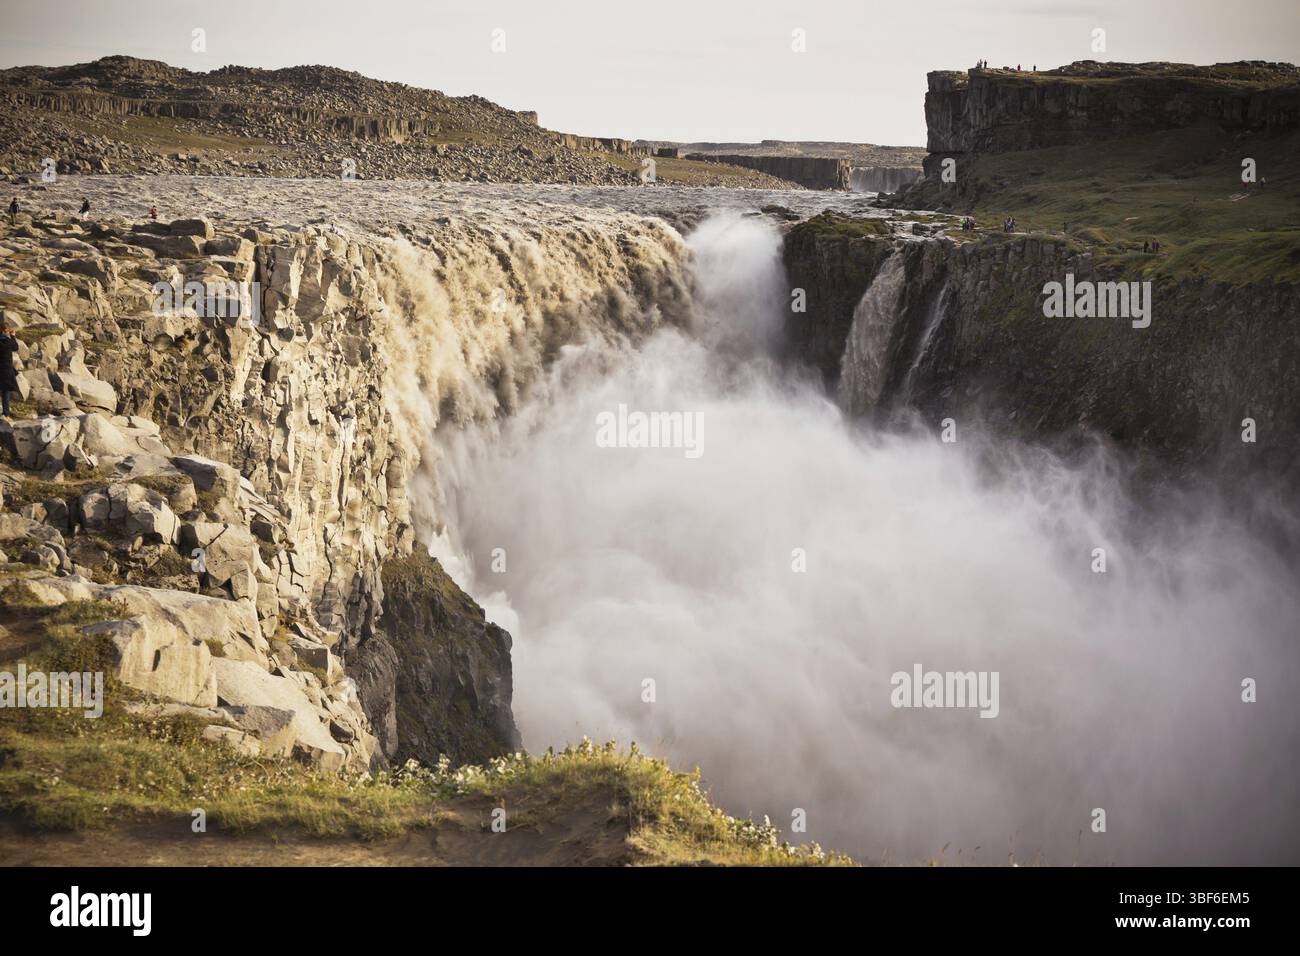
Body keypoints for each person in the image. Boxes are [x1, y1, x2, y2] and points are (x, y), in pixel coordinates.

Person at [0, 316, 19, 418]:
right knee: (5, 392)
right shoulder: (9, 342)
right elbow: (16, 347)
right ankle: (6, 413)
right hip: (6, 370)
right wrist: (13, 336)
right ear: (5, 331)